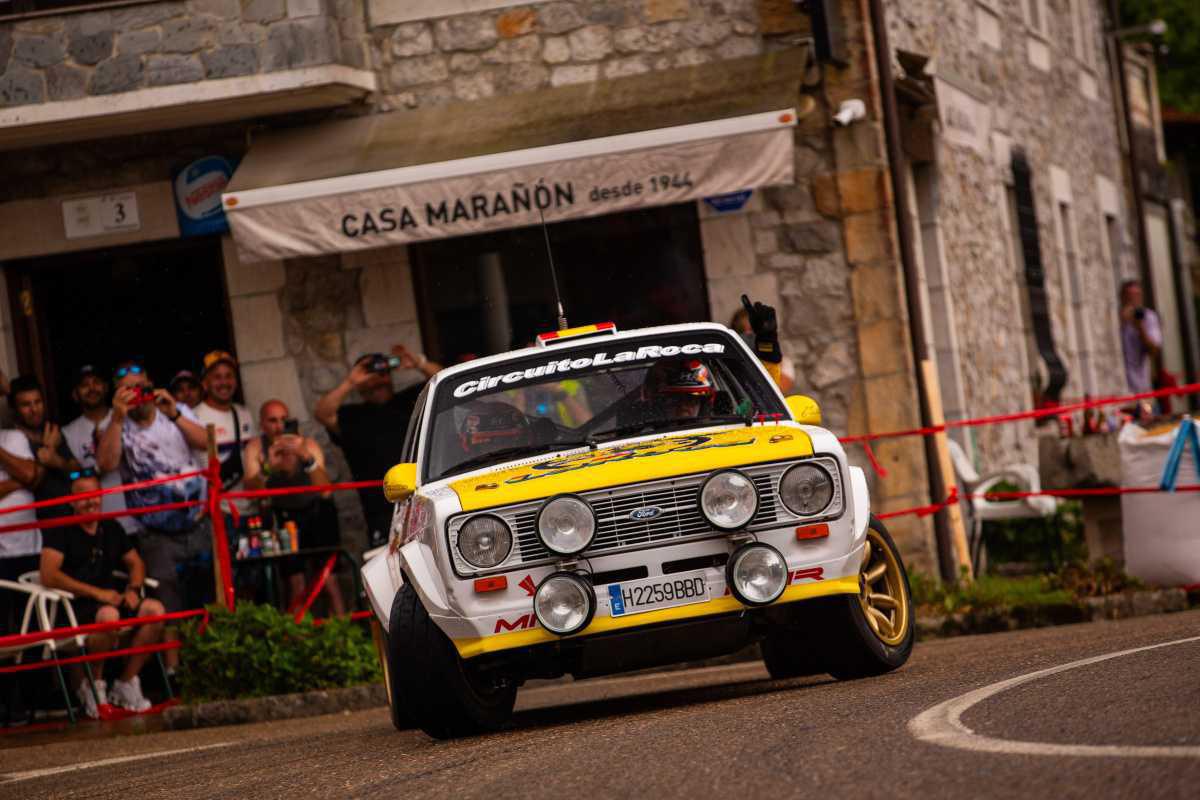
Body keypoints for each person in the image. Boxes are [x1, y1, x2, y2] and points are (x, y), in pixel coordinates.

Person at [96, 360, 208, 673]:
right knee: (167, 598)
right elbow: (106, 463)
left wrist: (173, 413)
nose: (138, 395)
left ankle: (212, 661)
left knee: (205, 592)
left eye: (142, 388)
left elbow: (206, 444)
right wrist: (118, 418)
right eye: (129, 390)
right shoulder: (112, 423)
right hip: (153, 528)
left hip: (196, 519)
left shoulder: (177, 411)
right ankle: (175, 672)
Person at [39, 470, 164, 717]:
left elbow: (136, 563)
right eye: (84, 496)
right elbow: (48, 574)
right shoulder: (61, 530)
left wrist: (133, 589)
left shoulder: (110, 527)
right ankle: (94, 686)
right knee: (108, 616)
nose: (91, 501)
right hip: (75, 606)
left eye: (95, 494)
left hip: (111, 599)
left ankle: (126, 681)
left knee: (155, 611)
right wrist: (97, 594)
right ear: (72, 501)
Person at [315, 346, 441, 550]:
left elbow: (447, 384)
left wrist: (419, 363)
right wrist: (350, 382)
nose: (377, 381)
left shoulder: (411, 399)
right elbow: (322, 413)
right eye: (369, 377)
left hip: (425, 498)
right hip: (381, 512)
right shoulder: (352, 415)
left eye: (382, 375)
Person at [244, 400, 344, 615]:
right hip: (284, 516)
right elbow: (252, 491)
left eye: (284, 419)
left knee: (329, 581)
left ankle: (344, 638)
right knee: (294, 583)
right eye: (273, 420)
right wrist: (269, 468)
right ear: (262, 424)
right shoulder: (256, 448)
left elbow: (326, 490)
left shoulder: (307, 445)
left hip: (317, 511)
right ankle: (296, 641)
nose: (279, 426)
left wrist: (306, 458)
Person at [62, 365, 136, 535]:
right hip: (96, 524)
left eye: (96, 382)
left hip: (135, 518)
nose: (92, 388)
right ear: (75, 394)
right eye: (84, 385)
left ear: (106, 387)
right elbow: (72, 477)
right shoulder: (67, 432)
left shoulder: (126, 416)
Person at [0, 427, 40, 726]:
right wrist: (19, 479)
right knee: (3, 631)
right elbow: (26, 476)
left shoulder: (13, 437)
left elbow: (32, 475)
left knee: (34, 629)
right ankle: (8, 706)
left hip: (28, 549)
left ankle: (28, 702)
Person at [8, 375, 80, 523]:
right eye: (26, 405)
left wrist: (58, 461)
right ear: (14, 409)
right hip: (38, 523)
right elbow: (29, 481)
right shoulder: (10, 441)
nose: (34, 409)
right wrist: (48, 450)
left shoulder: (51, 431)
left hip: (70, 514)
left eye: (38, 402)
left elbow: (77, 472)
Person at [192, 351, 255, 514]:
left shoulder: (245, 413)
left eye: (229, 376)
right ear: (205, 384)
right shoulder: (193, 417)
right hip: (219, 512)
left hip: (252, 509)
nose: (224, 382)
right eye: (217, 377)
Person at [730, 302, 794, 393]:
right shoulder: (731, 361)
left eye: (754, 331)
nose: (750, 337)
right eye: (743, 332)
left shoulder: (783, 362)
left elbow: (779, 390)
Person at [1119, 280, 1164, 395]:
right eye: (1129, 297)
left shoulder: (1148, 318)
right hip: (1119, 388)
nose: (1133, 301)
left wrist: (1140, 327)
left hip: (1141, 386)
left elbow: (1154, 350)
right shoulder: (1116, 317)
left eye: (1136, 296)